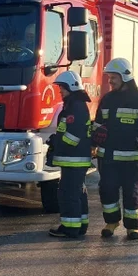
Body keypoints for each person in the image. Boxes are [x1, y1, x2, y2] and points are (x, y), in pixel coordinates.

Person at [92, 57, 138, 241]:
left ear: (125, 76)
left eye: (113, 77)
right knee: (107, 191)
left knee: (132, 194)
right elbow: (97, 126)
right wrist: (93, 144)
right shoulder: (107, 100)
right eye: (109, 77)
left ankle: (132, 228)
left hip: (132, 159)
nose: (110, 81)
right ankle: (111, 223)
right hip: (107, 158)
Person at [47, 71, 93, 239]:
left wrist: (57, 143)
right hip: (75, 159)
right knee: (77, 192)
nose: (60, 91)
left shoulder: (75, 106)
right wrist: (56, 139)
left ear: (71, 87)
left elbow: (73, 137)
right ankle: (80, 225)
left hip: (74, 158)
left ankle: (70, 228)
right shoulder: (74, 104)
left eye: (62, 88)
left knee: (68, 194)